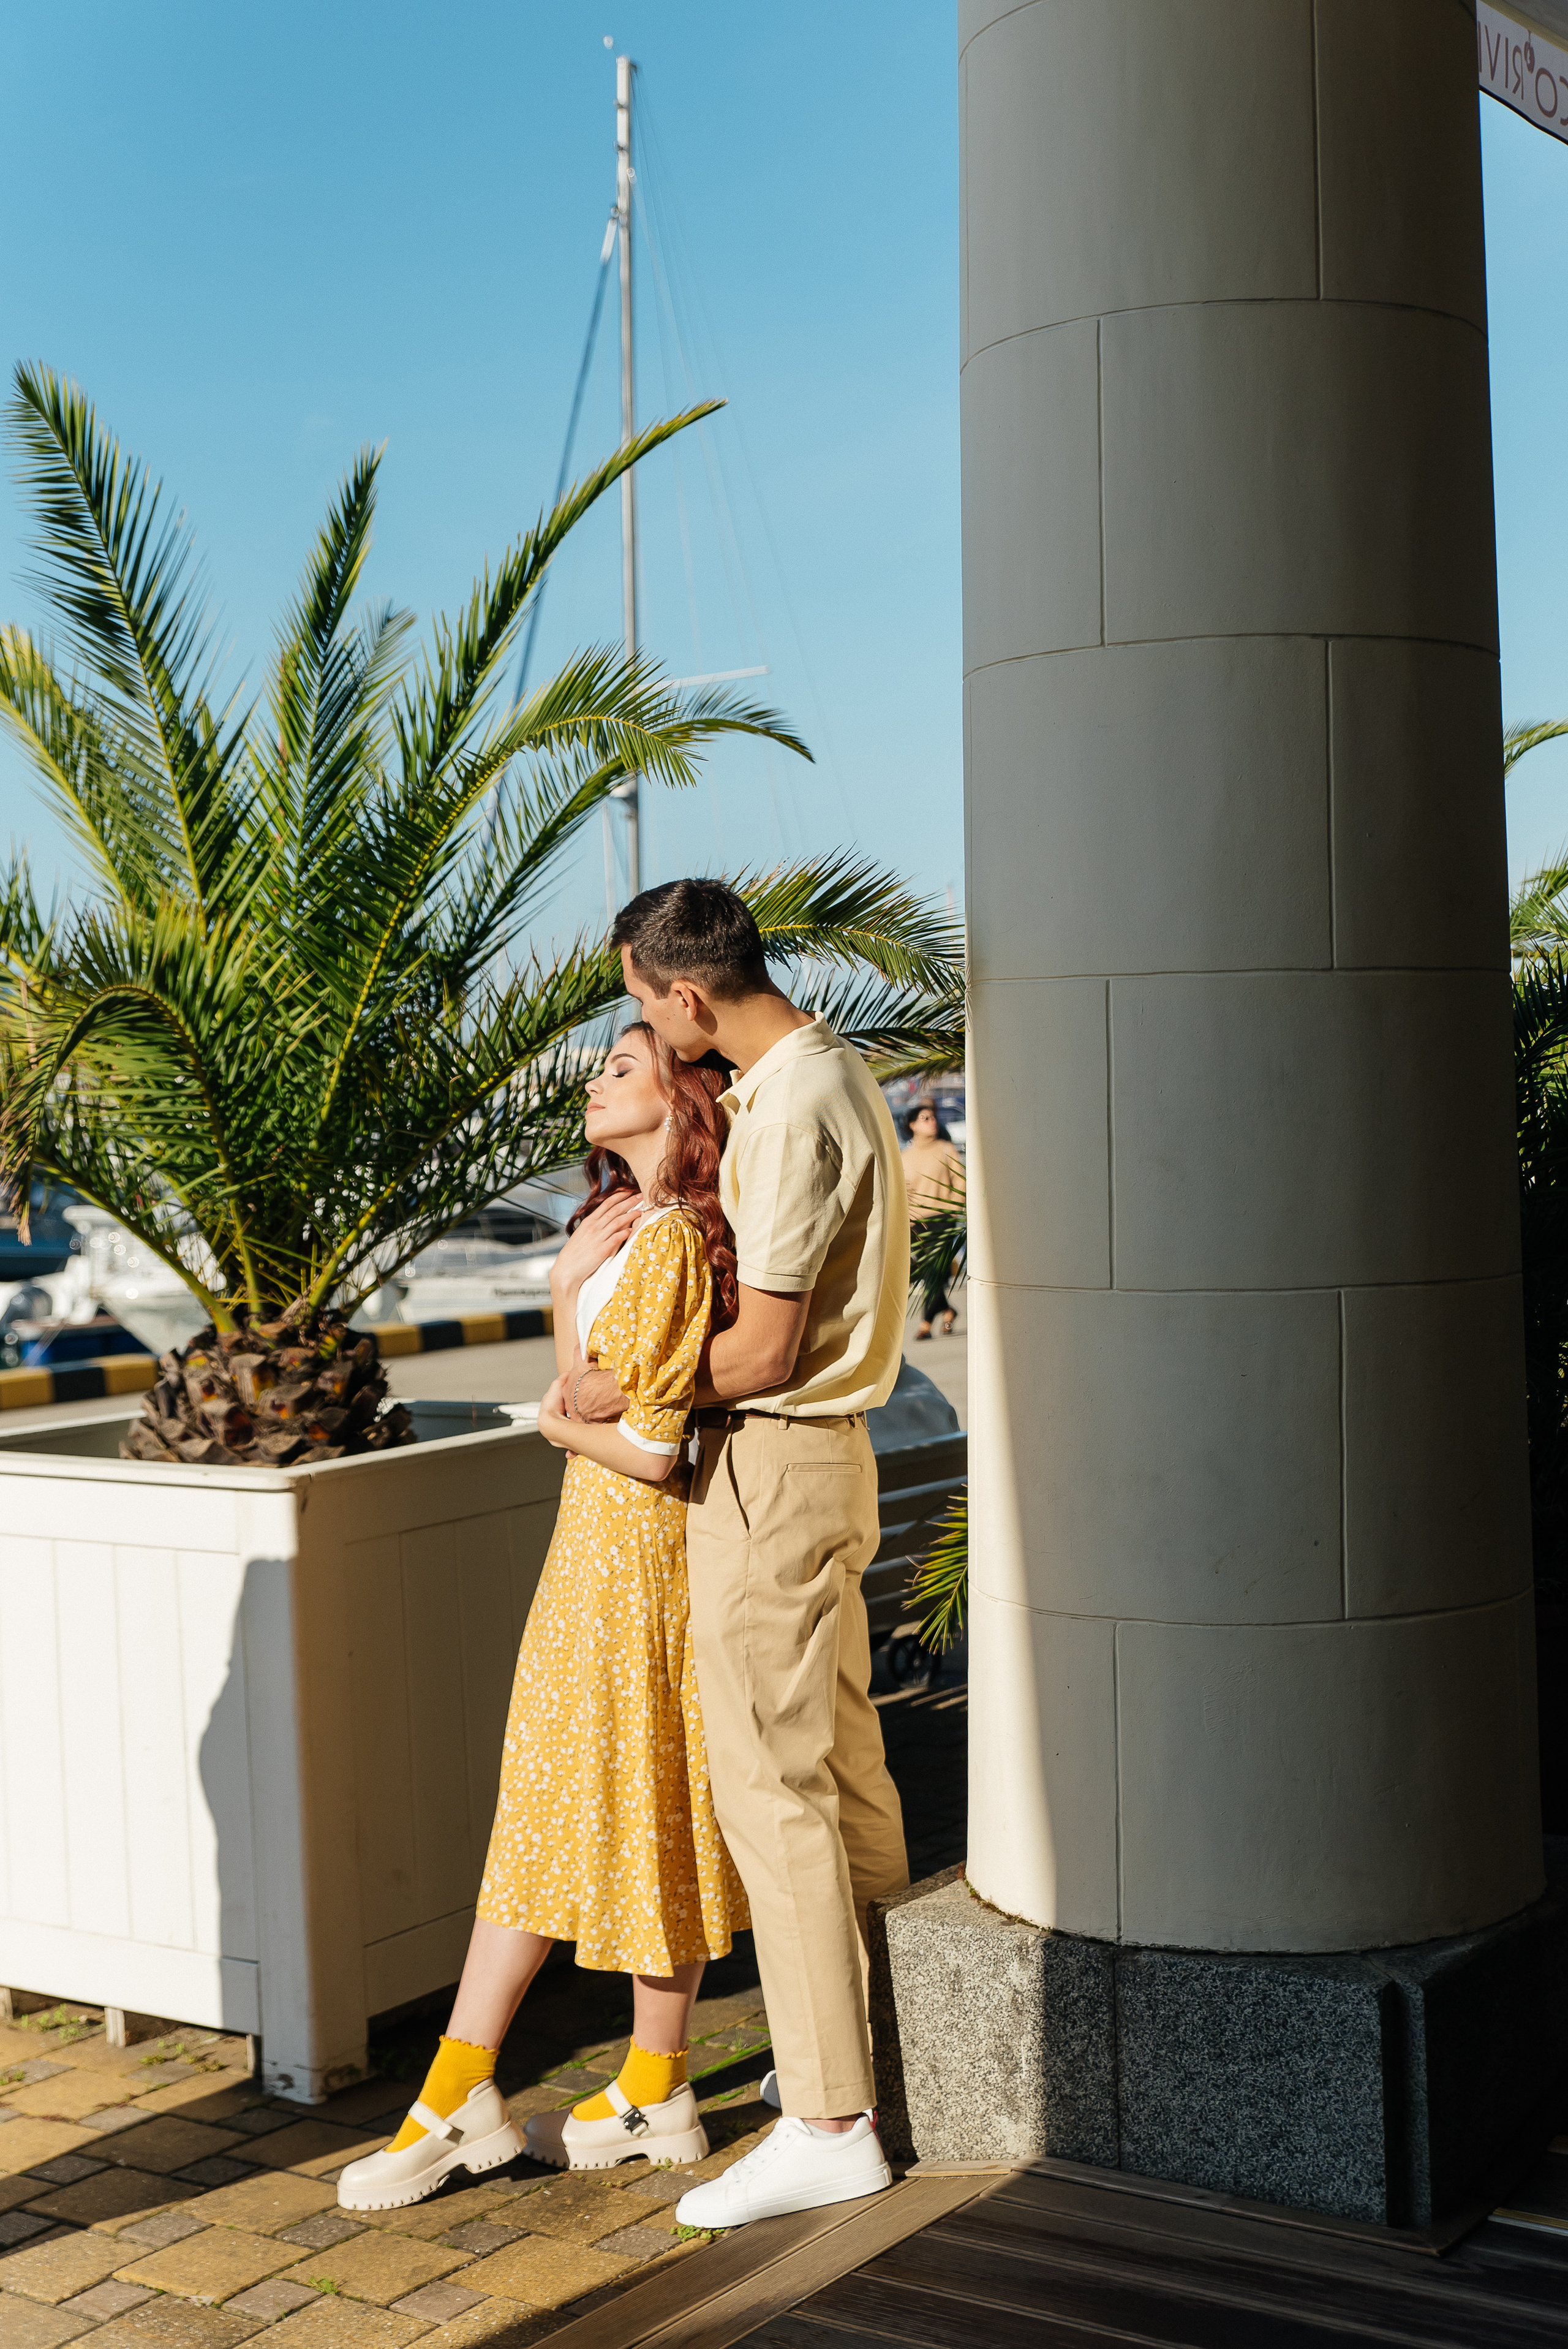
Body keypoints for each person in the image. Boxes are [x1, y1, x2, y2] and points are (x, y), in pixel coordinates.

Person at [337, 1024, 748, 2212]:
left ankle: (466, 2095)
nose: (592, 1080)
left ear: (677, 1099)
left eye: (620, 1067)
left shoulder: (666, 1239)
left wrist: (556, 1421)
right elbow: (588, 1390)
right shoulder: (631, 1235)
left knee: (594, 1802)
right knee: (615, 1803)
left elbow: (646, 1446)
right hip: (606, 1562)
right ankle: (647, 2082)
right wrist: (568, 1293)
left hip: (627, 1562)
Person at [570, 877, 911, 2229]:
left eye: (644, 1005)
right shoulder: (837, 1073)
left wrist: (623, 1385)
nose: (648, 1028)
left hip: (772, 1456)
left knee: (770, 1790)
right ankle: (873, 2060)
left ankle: (831, 2118)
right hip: (825, 1463)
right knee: (841, 1773)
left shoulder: (783, 1108)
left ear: (688, 996)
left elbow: (762, 1353)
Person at [902, 1096, 965, 1339]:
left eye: (933, 1117)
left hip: (943, 1219)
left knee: (933, 1271)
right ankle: (948, 1311)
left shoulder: (946, 1149)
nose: (932, 1121)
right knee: (928, 1271)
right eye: (925, 1118)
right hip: (916, 1223)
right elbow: (903, 1194)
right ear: (912, 1125)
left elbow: (960, 1183)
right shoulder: (904, 1156)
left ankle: (926, 1324)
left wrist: (955, 1210)